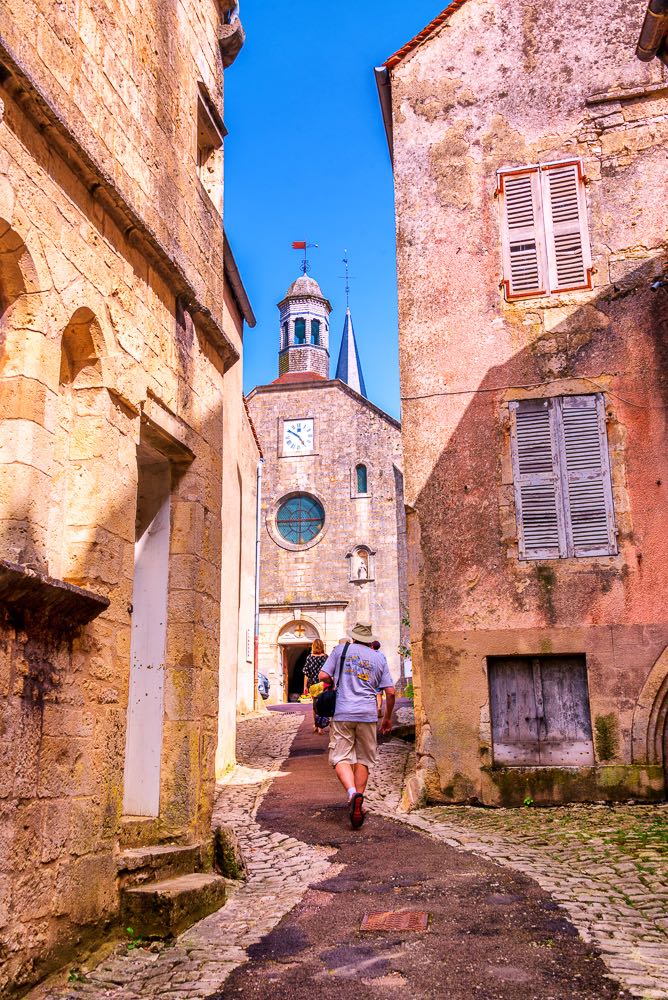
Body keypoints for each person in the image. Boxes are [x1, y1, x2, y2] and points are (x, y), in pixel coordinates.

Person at [319, 622, 395, 830]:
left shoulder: (340, 650)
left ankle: (352, 794)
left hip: (343, 712)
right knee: (364, 759)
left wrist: (340, 676)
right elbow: (390, 692)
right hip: (368, 714)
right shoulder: (379, 657)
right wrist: (387, 718)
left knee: (340, 756)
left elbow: (323, 676)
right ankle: (359, 800)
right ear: (369, 640)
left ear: (353, 638)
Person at [303, 639, 329, 733]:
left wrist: (305, 686)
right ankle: (321, 726)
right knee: (323, 704)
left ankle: (316, 725)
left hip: (313, 684)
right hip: (324, 684)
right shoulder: (326, 657)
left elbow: (306, 673)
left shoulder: (309, 657)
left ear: (313, 646)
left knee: (315, 705)